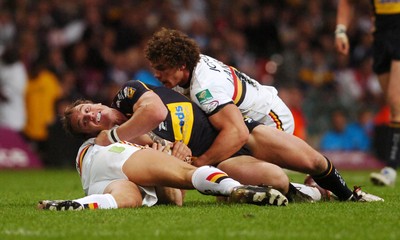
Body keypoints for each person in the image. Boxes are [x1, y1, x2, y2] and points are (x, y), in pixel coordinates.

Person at [144, 28, 383, 202]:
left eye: (162, 68)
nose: (157, 75)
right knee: (232, 187)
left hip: (269, 119)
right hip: (245, 121)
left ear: (181, 64)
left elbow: (236, 132)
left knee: (244, 179)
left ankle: (313, 191)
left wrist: (200, 164)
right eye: (155, 69)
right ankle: (311, 189)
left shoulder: (205, 87)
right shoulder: (189, 73)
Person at [63, 80, 380, 202]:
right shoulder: (129, 148)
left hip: (235, 131)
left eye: (87, 109)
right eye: (83, 122)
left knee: (311, 159)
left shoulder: (128, 94)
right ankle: (310, 193)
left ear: (96, 102)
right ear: (89, 133)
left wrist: (120, 134)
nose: (89, 116)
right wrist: (177, 157)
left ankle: (349, 195)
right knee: (277, 179)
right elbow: (171, 180)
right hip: (218, 158)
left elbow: (156, 110)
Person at [38, 138, 288, 211]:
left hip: (93, 181)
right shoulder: (116, 128)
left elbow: (175, 200)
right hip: (116, 153)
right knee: (187, 172)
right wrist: (168, 153)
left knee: (126, 200)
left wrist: (168, 158)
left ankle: (76, 205)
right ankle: (234, 188)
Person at [335, 0, 399, 186]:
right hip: (381, 38)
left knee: (396, 103)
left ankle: (391, 168)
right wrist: (340, 30)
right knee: (392, 103)